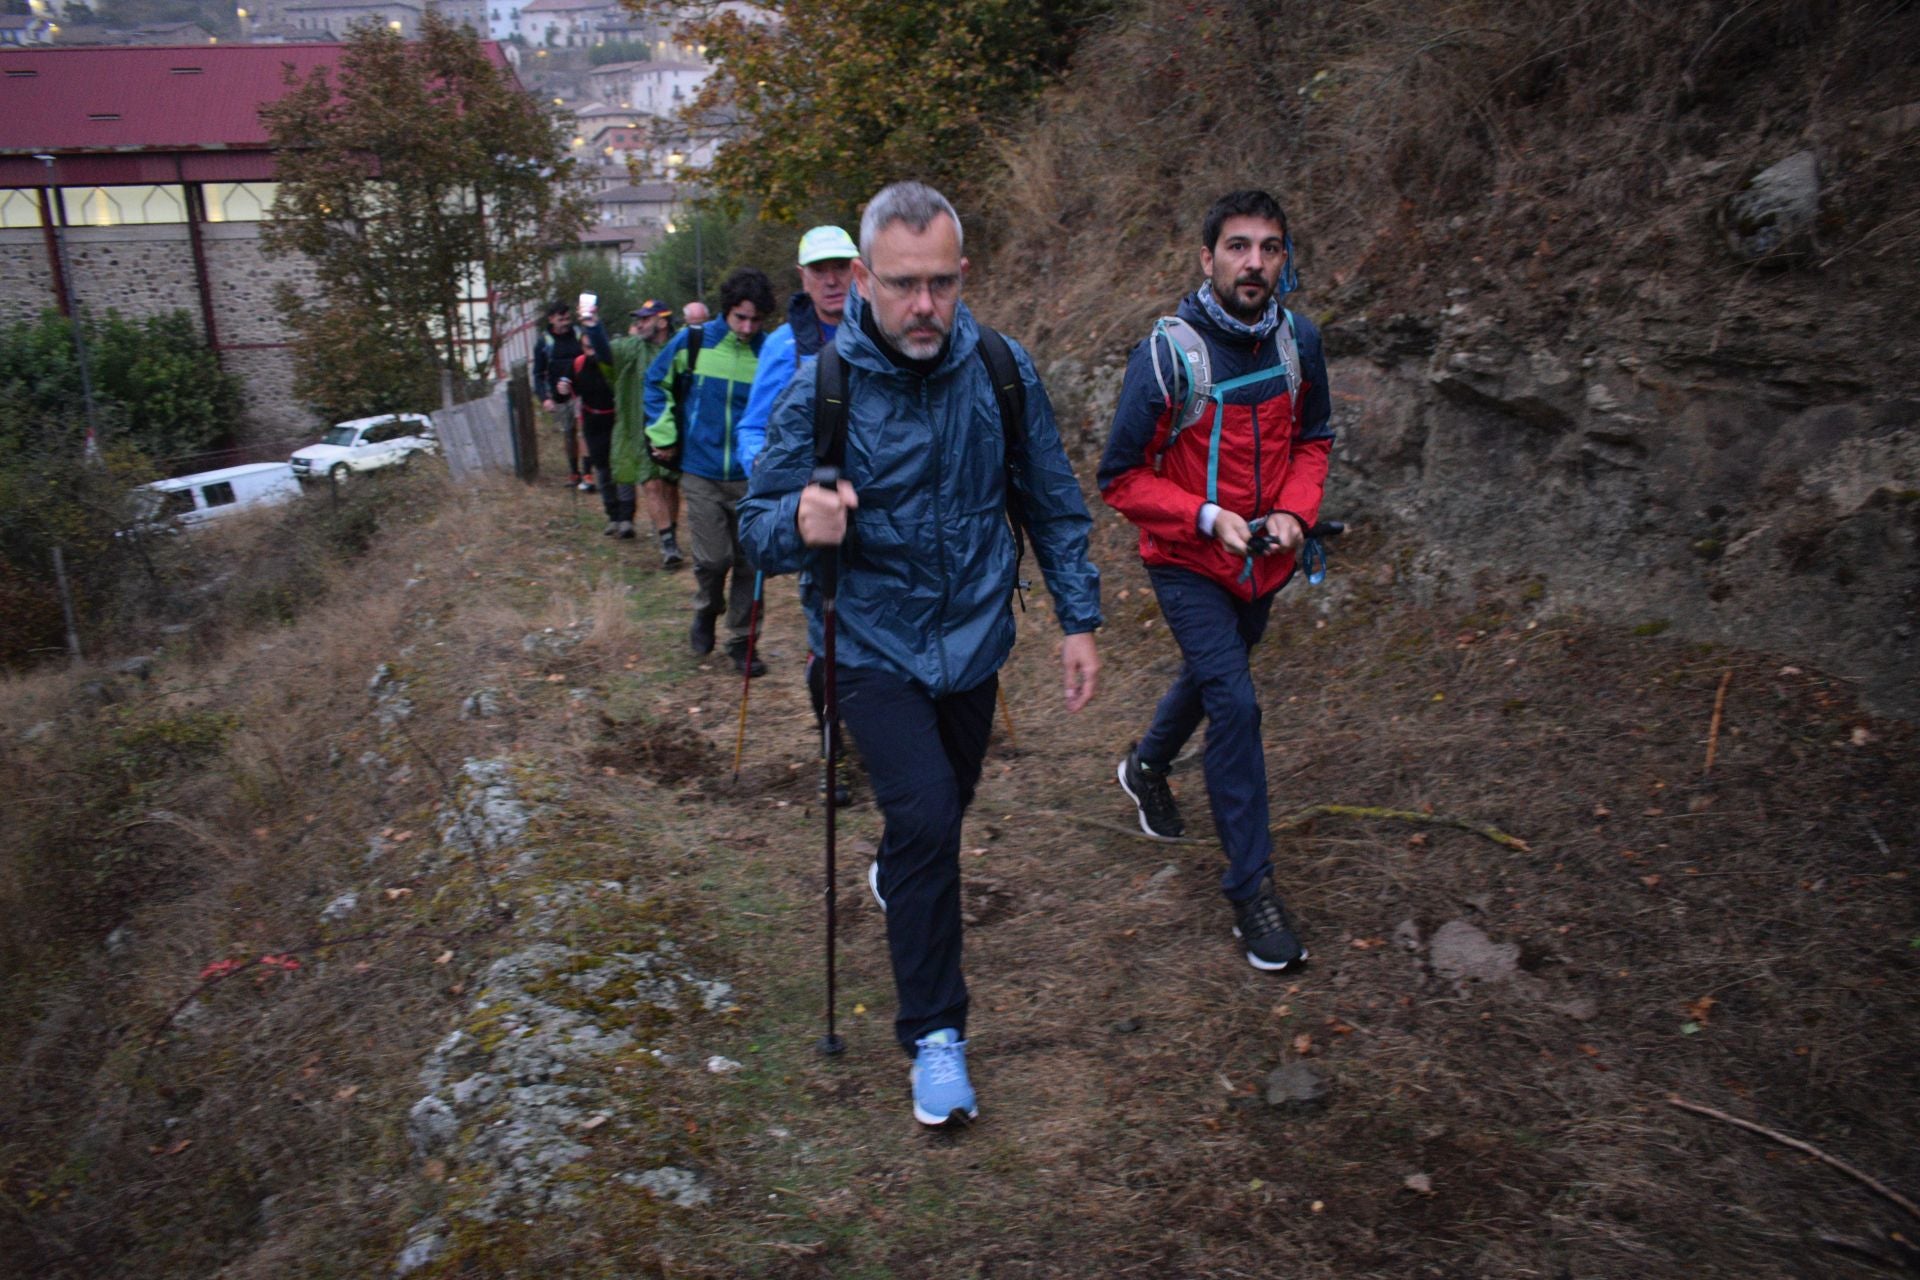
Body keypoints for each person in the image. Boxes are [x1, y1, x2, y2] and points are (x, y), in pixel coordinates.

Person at [740, 182, 1103, 1128]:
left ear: (964, 274)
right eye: (903, 285)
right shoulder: (826, 385)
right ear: (862, 279)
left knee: (934, 820)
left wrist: (1078, 618)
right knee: (933, 816)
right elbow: (755, 526)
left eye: (941, 282)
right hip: (867, 644)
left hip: (976, 639)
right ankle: (935, 1036)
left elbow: (1052, 501)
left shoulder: (1001, 368)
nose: (924, 306)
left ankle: (903, 869)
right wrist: (801, 521)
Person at [1098, 189, 1333, 973]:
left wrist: (1297, 514)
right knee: (1235, 701)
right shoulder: (1168, 355)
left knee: (1211, 679)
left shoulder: (1299, 340)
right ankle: (1251, 892)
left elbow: (1314, 439)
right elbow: (1120, 478)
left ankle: (1146, 766)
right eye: (1238, 247)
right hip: (1188, 562)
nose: (1255, 263)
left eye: (1270, 248)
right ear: (1207, 259)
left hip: (1265, 561)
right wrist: (1204, 517)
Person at [735, 224, 859, 801]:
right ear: (803, 279)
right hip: (817, 514)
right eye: (820, 270)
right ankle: (831, 747)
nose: (832, 279)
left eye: (841, 267)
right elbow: (753, 427)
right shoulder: (785, 346)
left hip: (888, 507)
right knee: (827, 636)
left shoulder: (887, 328)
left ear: (859, 270)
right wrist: (771, 477)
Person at [645, 269, 775, 674]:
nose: (748, 328)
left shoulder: (769, 352)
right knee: (714, 559)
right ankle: (706, 609)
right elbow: (655, 384)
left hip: (751, 475)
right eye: (740, 318)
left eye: (756, 320)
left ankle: (742, 640)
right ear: (727, 311)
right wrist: (663, 435)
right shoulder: (694, 342)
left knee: (750, 563)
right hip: (700, 469)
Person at [610, 299, 684, 567]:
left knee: (670, 485)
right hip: (641, 428)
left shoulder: (681, 348)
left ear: (662, 321)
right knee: (651, 483)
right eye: (638, 319)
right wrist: (592, 326)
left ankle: (670, 531)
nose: (638, 323)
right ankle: (668, 544)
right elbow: (605, 352)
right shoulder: (633, 347)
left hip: (675, 429)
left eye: (645, 318)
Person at [565, 298, 634, 536]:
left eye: (593, 346)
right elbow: (567, 386)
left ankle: (627, 518)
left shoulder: (610, 363)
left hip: (615, 419)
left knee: (622, 468)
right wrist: (561, 389)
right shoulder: (578, 364)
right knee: (602, 470)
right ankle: (612, 516)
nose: (590, 351)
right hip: (592, 421)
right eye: (586, 347)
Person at [531, 300, 590, 487]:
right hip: (559, 396)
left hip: (582, 392)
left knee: (584, 432)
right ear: (551, 320)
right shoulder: (544, 342)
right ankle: (574, 472)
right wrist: (544, 399)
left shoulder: (580, 335)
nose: (565, 322)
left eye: (567, 318)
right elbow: (538, 374)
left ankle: (588, 474)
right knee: (569, 433)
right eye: (561, 319)